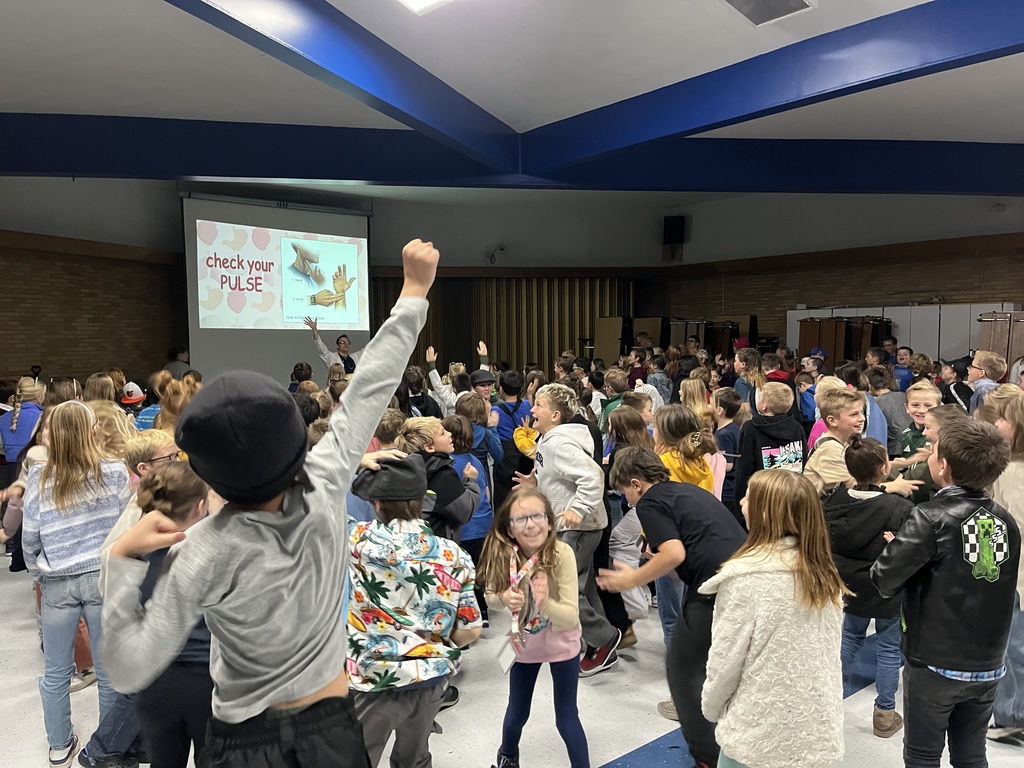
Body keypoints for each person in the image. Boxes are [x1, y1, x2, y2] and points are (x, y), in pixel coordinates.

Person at [99, 238, 437, 768]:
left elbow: (128, 669)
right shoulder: (326, 482)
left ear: (206, 474)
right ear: (299, 441)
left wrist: (118, 561)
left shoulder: (202, 549)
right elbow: (372, 384)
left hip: (240, 739)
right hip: (332, 724)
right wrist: (414, 291)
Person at [872, 419, 1020, 768]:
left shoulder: (930, 517)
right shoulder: (1004, 521)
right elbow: (979, 574)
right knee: (971, 754)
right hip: (988, 661)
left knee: (923, 756)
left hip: (935, 661)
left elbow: (884, 578)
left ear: (942, 467)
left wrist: (900, 553)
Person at [599, 447, 746, 768]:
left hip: (716, 588)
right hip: (745, 578)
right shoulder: (686, 490)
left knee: (682, 671)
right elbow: (693, 547)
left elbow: (675, 554)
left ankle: (706, 758)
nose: (626, 500)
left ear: (636, 484)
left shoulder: (650, 502)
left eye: (624, 491)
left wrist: (631, 579)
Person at [701, 470, 846, 768]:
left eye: (748, 497)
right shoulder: (825, 575)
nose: (741, 502)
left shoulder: (744, 579)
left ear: (764, 514)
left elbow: (726, 660)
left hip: (755, 733)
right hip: (815, 729)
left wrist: (711, 707)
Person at [347, 454, 482, 767]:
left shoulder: (358, 541)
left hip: (375, 680)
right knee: (415, 758)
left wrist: (354, 459)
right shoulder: (453, 554)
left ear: (377, 504)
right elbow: (471, 630)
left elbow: (306, 499)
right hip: (431, 680)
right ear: (423, 501)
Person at [23, 400, 134, 768]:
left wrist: (39, 575)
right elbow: (125, 527)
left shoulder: (39, 476)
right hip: (103, 578)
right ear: (90, 430)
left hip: (57, 582)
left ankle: (58, 746)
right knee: (108, 671)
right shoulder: (115, 472)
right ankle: (108, 746)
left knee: (56, 671)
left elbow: (30, 537)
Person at [479, 489, 588, 768]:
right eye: (521, 518)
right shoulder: (504, 554)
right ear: (509, 528)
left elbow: (571, 617)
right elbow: (490, 595)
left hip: (562, 644)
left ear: (550, 522)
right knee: (517, 712)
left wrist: (545, 603)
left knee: (566, 717)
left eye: (537, 516)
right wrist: (502, 597)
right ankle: (507, 756)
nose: (530, 524)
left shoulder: (562, 553)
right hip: (524, 642)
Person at [518, 383, 618, 677]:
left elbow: (592, 476)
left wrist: (577, 509)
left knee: (564, 590)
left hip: (577, 527)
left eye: (539, 405)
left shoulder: (558, 443)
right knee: (582, 587)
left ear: (557, 415)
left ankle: (604, 638)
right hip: (576, 525)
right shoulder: (549, 439)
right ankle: (598, 644)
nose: (532, 409)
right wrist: (535, 484)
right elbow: (560, 476)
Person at [823, 436, 914, 738]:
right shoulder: (898, 507)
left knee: (849, 638)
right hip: (886, 586)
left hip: (849, 584)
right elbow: (908, 550)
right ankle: (885, 714)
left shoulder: (835, 500)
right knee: (889, 649)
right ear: (884, 467)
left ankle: (825, 700)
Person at [131, 462, 214, 768]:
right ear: (201, 506)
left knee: (163, 761)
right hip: (206, 678)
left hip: (153, 681)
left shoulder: (129, 554)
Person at [975, 384, 1024, 742]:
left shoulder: (1014, 475)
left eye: (1000, 419)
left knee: (1014, 646)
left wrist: (986, 568)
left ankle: (1012, 715)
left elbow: (1007, 529)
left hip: (1016, 578)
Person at [394, 416, 481, 542]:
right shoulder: (442, 475)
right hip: (437, 546)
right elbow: (465, 511)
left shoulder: (406, 471)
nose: (450, 434)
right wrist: (470, 480)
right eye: (442, 433)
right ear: (429, 447)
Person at [733, 382, 807, 505]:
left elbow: (745, 465)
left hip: (762, 495)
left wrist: (740, 498)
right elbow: (804, 460)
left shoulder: (751, 428)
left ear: (764, 406)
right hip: (792, 493)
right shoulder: (797, 427)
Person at [712, 388, 743, 526]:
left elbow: (728, 465)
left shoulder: (723, 435)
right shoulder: (732, 429)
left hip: (727, 490)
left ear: (719, 410)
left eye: (710, 403)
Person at [1, 377, 46, 466]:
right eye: (44, 394)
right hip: (35, 467)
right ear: (37, 396)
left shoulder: (3, 418)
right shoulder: (42, 418)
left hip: (8, 471)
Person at [969, 350, 1007, 414]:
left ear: (981, 373)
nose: (969, 369)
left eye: (972, 367)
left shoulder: (983, 392)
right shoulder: (996, 389)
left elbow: (982, 420)